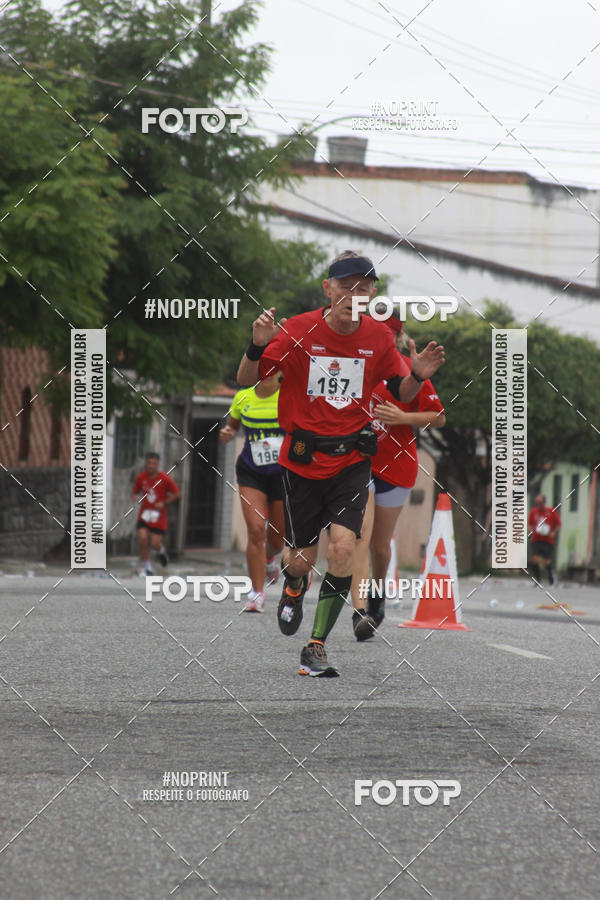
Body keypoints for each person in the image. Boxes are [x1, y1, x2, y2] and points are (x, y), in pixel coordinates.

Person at [236, 249, 445, 677]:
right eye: (347, 287)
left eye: (365, 289)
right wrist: (256, 345)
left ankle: (316, 646)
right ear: (328, 289)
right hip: (301, 459)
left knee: (345, 548)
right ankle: (293, 587)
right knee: (300, 559)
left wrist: (418, 375)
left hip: (352, 458)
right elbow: (247, 381)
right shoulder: (297, 329)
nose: (355, 295)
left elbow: (402, 393)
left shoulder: (378, 339)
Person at [350, 317, 446, 640]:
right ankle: (360, 611)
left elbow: (439, 417)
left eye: (389, 335)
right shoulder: (355, 366)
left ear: (399, 337)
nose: (382, 340)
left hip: (397, 468)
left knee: (379, 546)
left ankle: (377, 598)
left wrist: (404, 417)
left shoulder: (409, 370)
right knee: (359, 539)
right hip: (359, 464)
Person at [219, 370, 285, 612]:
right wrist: (227, 433)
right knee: (256, 530)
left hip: (282, 474)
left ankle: (269, 557)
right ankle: (257, 593)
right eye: (262, 369)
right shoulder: (243, 397)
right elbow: (232, 427)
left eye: (273, 368)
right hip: (251, 471)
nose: (267, 373)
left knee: (277, 541)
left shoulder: (289, 396)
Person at [132, 452, 180, 576]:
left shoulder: (164, 478)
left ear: (158, 464)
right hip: (145, 514)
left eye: (154, 464)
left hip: (158, 516)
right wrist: (135, 498)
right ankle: (147, 567)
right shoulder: (141, 477)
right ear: (145, 464)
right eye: (149, 463)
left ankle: (161, 551)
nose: (151, 466)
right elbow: (135, 492)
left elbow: (176, 494)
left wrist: (163, 503)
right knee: (142, 538)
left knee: (154, 544)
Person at [528, 493, 561, 585]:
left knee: (545, 561)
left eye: (540, 502)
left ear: (544, 503)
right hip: (536, 539)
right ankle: (537, 580)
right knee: (534, 559)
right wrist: (531, 531)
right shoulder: (533, 511)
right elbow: (529, 524)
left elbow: (558, 524)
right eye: (537, 503)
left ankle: (551, 576)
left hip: (547, 540)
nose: (538, 505)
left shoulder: (551, 511)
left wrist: (553, 532)